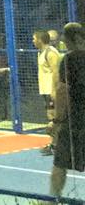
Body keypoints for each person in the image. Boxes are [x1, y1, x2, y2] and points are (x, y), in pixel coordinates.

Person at [50, 22, 85, 199]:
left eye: (66, 37)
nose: (63, 40)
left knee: (60, 163)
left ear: (76, 38)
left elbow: (62, 91)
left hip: (75, 121)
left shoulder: (70, 59)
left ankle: (53, 199)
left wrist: (56, 120)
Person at [35, 30, 62, 155]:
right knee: (51, 117)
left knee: (55, 119)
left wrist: (54, 90)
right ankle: (54, 144)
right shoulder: (40, 52)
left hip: (53, 91)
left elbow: (56, 72)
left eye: (34, 38)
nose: (33, 41)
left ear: (40, 40)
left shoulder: (51, 53)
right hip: (45, 91)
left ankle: (58, 145)